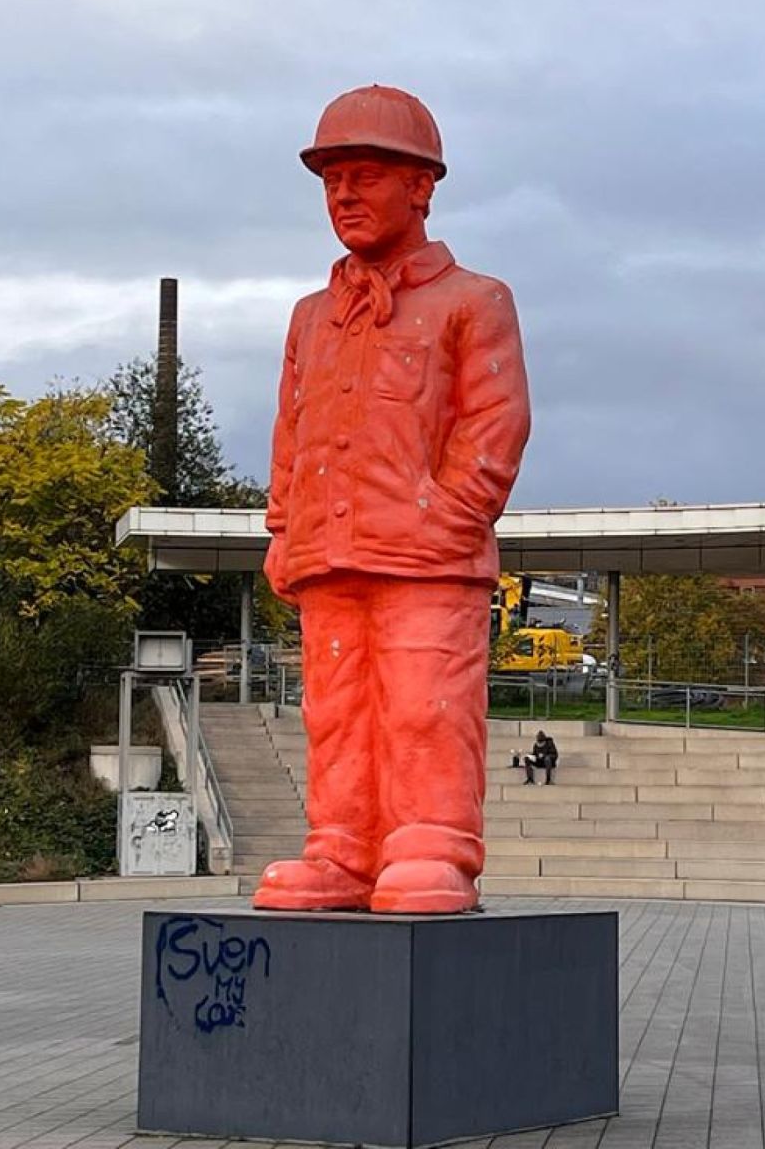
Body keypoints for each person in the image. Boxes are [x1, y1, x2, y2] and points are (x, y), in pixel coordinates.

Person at [252, 85, 531, 915]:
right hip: (325, 554)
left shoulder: (474, 301)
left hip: (428, 560)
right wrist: (281, 527)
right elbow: (289, 430)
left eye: (365, 174)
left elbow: (496, 423)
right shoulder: (309, 318)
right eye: (332, 179)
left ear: (421, 187)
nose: (343, 195)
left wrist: (448, 517)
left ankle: (432, 844)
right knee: (334, 713)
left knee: (425, 704)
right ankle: (340, 848)